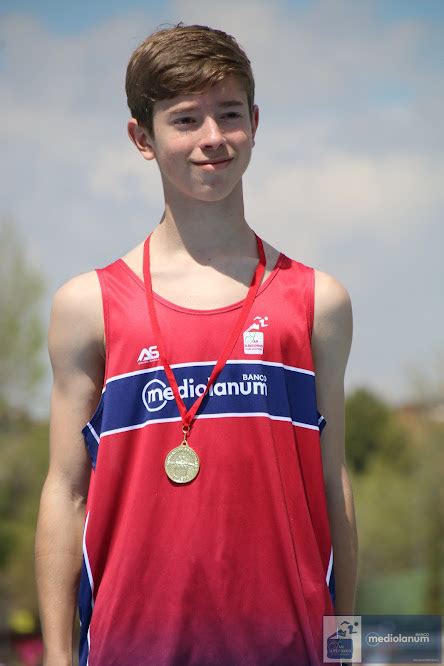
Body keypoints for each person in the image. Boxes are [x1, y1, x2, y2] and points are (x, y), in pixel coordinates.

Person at [34, 22, 358, 666]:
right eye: (185, 119)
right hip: (133, 649)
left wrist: (344, 649)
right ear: (142, 138)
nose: (213, 138)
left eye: (229, 113)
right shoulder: (89, 307)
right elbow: (66, 493)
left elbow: (332, 482)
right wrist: (55, 656)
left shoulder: (317, 301)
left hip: (289, 649)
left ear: (256, 122)